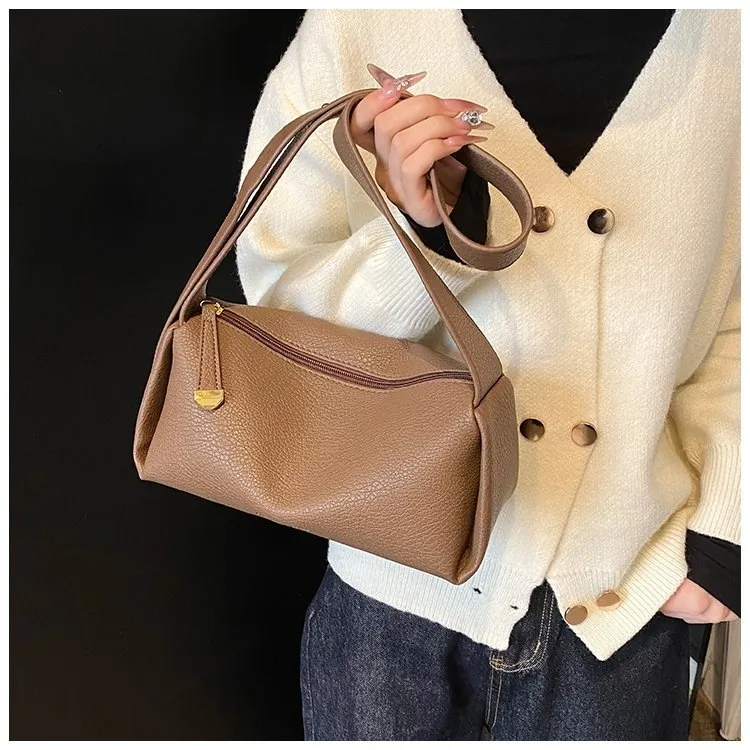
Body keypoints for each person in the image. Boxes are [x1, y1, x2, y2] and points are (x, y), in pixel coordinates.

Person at [233, 9, 740, 741]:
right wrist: (427, 237)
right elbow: (284, 315)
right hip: (390, 597)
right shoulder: (361, 22)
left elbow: (736, 318)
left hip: (626, 600)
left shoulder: (729, 40)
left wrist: (727, 530)